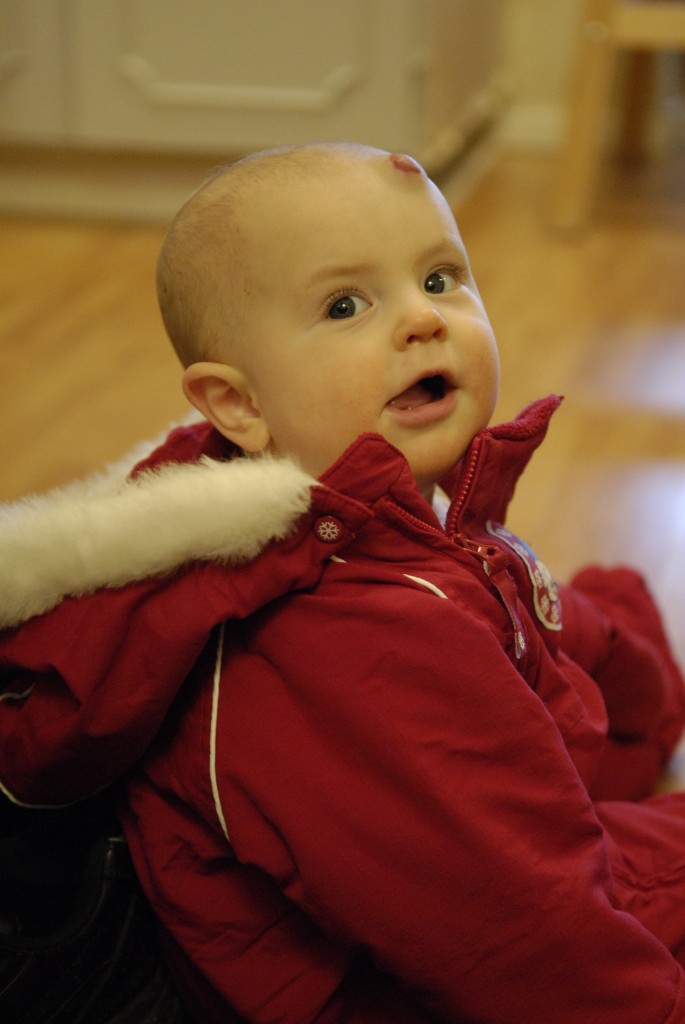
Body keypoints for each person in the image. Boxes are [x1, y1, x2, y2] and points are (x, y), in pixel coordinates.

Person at [1, 141, 685, 1024]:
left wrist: (638, 689)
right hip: (368, 985)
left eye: (440, 279)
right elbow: (520, 938)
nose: (421, 320)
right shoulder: (349, 651)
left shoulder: (359, 511)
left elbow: (524, 607)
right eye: (345, 304)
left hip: (435, 862)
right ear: (238, 405)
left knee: (598, 629)